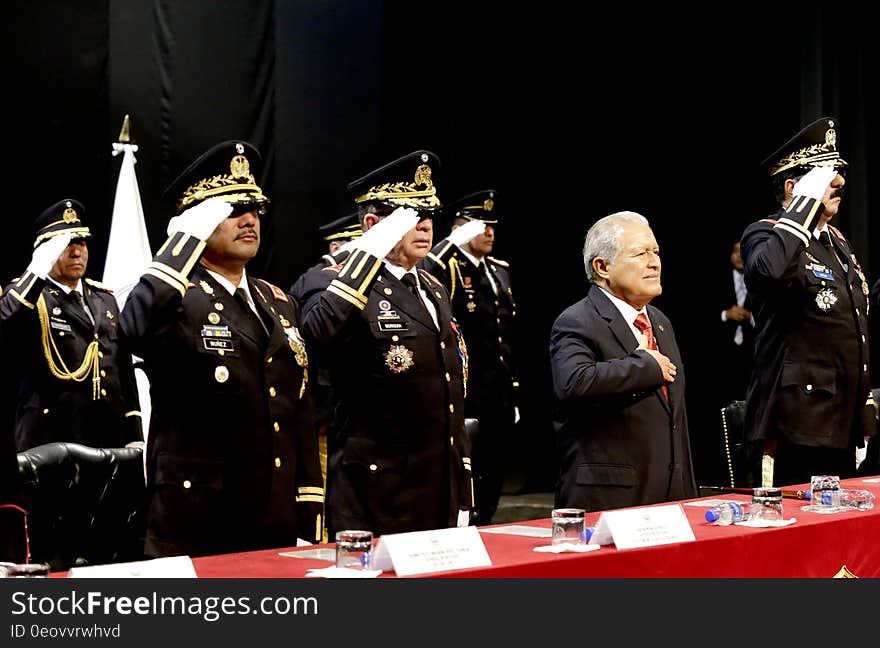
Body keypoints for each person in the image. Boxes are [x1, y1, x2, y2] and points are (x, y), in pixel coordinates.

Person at [119, 140, 324, 557]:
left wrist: (307, 500)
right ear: (196, 222)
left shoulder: (277, 301)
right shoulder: (172, 295)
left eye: (254, 209)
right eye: (231, 210)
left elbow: (297, 408)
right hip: (200, 517)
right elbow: (132, 330)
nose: (249, 220)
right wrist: (182, 244)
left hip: (273, 512)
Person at [298, 150, 473, 537]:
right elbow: (318, 332)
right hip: (379, 488)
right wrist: (367, 253)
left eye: (427, 215)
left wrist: (462, 483)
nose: (425, 225)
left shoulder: (433, 287)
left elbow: (448, 389)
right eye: (409, 218)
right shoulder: (330, 280)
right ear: (374, 224)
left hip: (438, 481)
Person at [741, 116, 873, 488]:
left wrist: (863, 413)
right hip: (795, 425)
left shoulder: (837, 242)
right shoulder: (765, 235)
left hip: (841, 423)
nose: (840, 183)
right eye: (827, 175)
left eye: (839, 173)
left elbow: (852, 330)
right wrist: (800, 208)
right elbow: (769, 274)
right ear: (793, 187)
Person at [549, 211, 697, 512]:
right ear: (602, 267)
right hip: (610, 499)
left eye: (655, 252)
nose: (654, 262)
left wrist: (688, 493)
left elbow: (673, 421)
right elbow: (574, 382)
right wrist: (645, 367)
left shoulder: (660, 321)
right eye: (640, 253)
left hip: (670, 497)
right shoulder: (577, 320)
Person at [0, 199, 143, 452]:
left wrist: (134, 432)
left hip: (108, 435)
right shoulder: (28, 297)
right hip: (51, 438)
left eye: (81, 242)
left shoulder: (105, 298)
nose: (77, 252)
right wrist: (35, 272)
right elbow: (6, 325)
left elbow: (123, 369)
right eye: (66, 244)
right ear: (45, 252)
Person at [420, 189, 519, 525]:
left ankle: (487, 519)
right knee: (467, 469)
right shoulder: (445, 266)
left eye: (492, 226)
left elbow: (505, 335)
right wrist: (450, 242)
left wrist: (513, 390)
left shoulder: (498, 271)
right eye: (480, 225)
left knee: (494, 464)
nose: (490, 232)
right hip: (467, 391)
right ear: (460, 228)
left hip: (497, 390)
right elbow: (426, 270)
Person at [718, 239, 754, 403]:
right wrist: (726, 314)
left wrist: (751, 317)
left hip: (752, 352)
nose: (739, 256)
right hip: (724, 352)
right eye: (735, 251)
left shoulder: (760, 280)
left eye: (743, 251)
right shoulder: (719, 278)